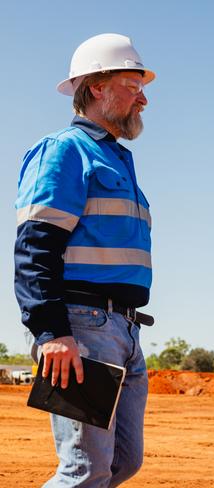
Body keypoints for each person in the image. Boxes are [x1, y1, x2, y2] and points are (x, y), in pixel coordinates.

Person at [14, 33, 155, 486]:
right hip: (82, 326)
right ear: (97, 87)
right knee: (85, 470)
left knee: (122, 463)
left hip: (125, 328)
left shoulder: (117, 159)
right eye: (134, 86)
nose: (144, 99)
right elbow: (36, 245)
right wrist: (52, 330)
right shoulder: (65, 151)